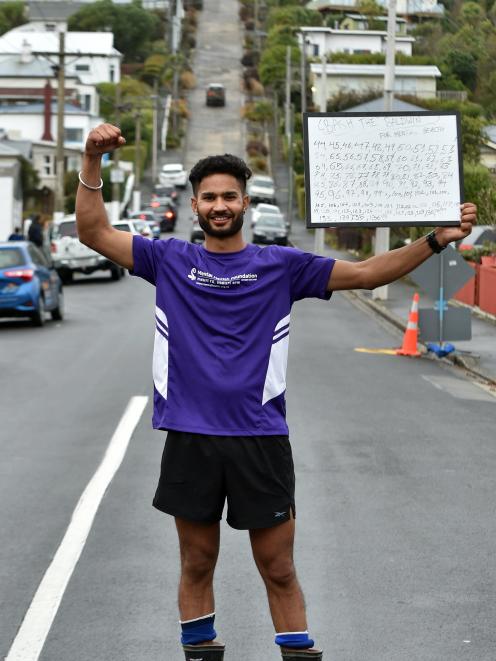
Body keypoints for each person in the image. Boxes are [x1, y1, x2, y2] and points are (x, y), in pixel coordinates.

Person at [75, 124, 477, 661]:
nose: (220, 205)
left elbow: (364, 273)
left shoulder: (281, 266)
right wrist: (91, 162)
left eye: (229, 196)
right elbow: (93, 231)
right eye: (210, 197)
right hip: (191, 438)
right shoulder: (168, 259)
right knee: (196, 563)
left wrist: (435, 239)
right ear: (194, 205)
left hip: (260, 439)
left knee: (280, 568)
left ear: (245, 201)